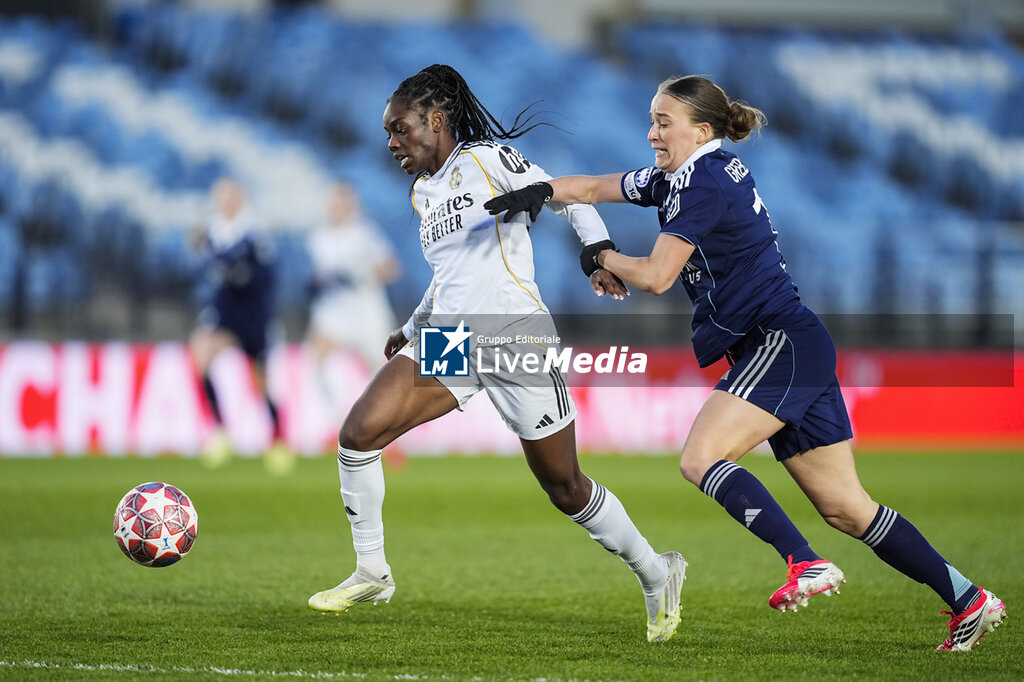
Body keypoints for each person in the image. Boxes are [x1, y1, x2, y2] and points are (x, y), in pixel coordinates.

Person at [484, 75, 1005, 651]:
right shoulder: (683, 174)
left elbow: (656, 276)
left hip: (775, 342)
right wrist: (540, 190)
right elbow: (592, 186)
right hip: (795, 343)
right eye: (652, 120)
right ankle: (969, 598)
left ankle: (803, 562)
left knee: (701, 458)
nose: (651, 133)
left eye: (663, 122)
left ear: (701, 129)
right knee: (846, 508)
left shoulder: (701, 183)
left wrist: (600, 254)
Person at [307, 64, 687, 643]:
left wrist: (598, 251)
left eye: (401, 129)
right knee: (359, 434)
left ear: (437, 121)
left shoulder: (487, 160)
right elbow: (449, 273)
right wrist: (412, 325)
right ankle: (372, 572)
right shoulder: (423, 194)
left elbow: (569, 195)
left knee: (565, 486)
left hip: (515, 335)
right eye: (388, 133)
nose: (392, 143)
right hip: (453, 341)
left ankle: (657, 573)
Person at [190, 176, 292, 475]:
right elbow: (211, 268)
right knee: (202, 355)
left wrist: (242, 274)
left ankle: (277, 438)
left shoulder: (253, 231)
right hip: (225, 309)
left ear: (241, 199)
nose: (227, 202)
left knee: (261, 382)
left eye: (231, 196)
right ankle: (220, 432)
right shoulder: (214, 231)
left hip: (253, 312)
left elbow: (267, 273)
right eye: (222, 197)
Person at [306, 182, 400, 395]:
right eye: (334, 201)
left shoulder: (365, 233)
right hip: (334, 308)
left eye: (343, 201)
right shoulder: (318, 238)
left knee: (380, 367)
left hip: (365, 309)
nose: (338, 206)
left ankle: (386, 411)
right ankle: (334, 411)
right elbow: (315, 276)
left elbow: (392, 268)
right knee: (317, 354)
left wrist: (365, 274)